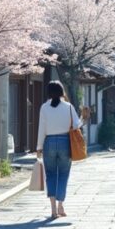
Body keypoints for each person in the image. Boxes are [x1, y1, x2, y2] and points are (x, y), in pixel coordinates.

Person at [36, 81, 81, 219]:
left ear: (48, 92)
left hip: (49, 142)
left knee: (50, 175)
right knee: (63, 174)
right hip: (65, 142)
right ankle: (61, 205)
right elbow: (76, 125)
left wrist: (39, 147)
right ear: (62, 92)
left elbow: (41, 128)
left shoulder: (44, 107)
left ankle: (53, 210)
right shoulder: (68, 107)